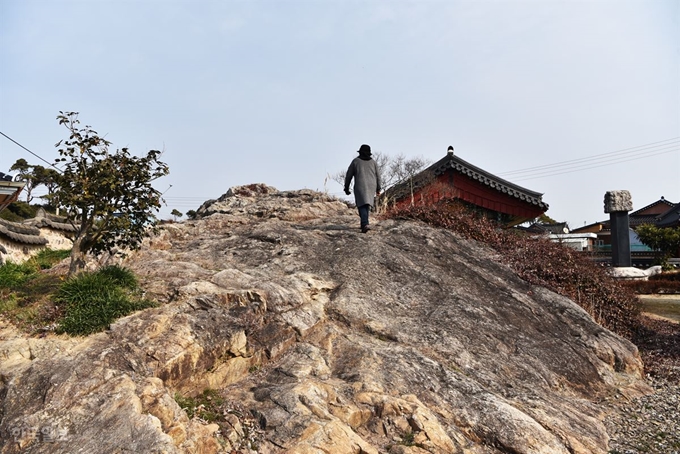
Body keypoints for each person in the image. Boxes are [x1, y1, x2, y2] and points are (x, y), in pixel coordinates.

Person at [344, 144, 381, 233]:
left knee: (361, 204)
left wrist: (346, 187)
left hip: (360, 185)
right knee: (366, 204)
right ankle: (364, 224)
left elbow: (349, 175)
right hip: (372, 185)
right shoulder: (373, 162)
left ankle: (365, 223)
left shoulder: (356, 161)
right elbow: (378, 176)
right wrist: (378, 188)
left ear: (360, 152)